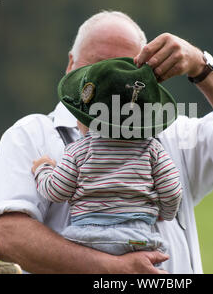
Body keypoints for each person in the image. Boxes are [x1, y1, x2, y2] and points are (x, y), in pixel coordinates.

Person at [0, 10, 213, 274]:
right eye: (97, 64)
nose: (110, 78)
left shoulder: (175, 133)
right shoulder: (31, 134)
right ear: (70, 64)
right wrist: (112, 270)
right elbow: (6, 237)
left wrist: (201, 67)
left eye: (124, 66)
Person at [31, 57, 182, 261]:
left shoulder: (78, 150)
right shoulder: (153, 149)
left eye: (80, 116)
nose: (76, 122)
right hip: (138, 240)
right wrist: (166, 212)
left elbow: (56, 191)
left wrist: (44, 168)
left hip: (86, 240)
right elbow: (172, 191)